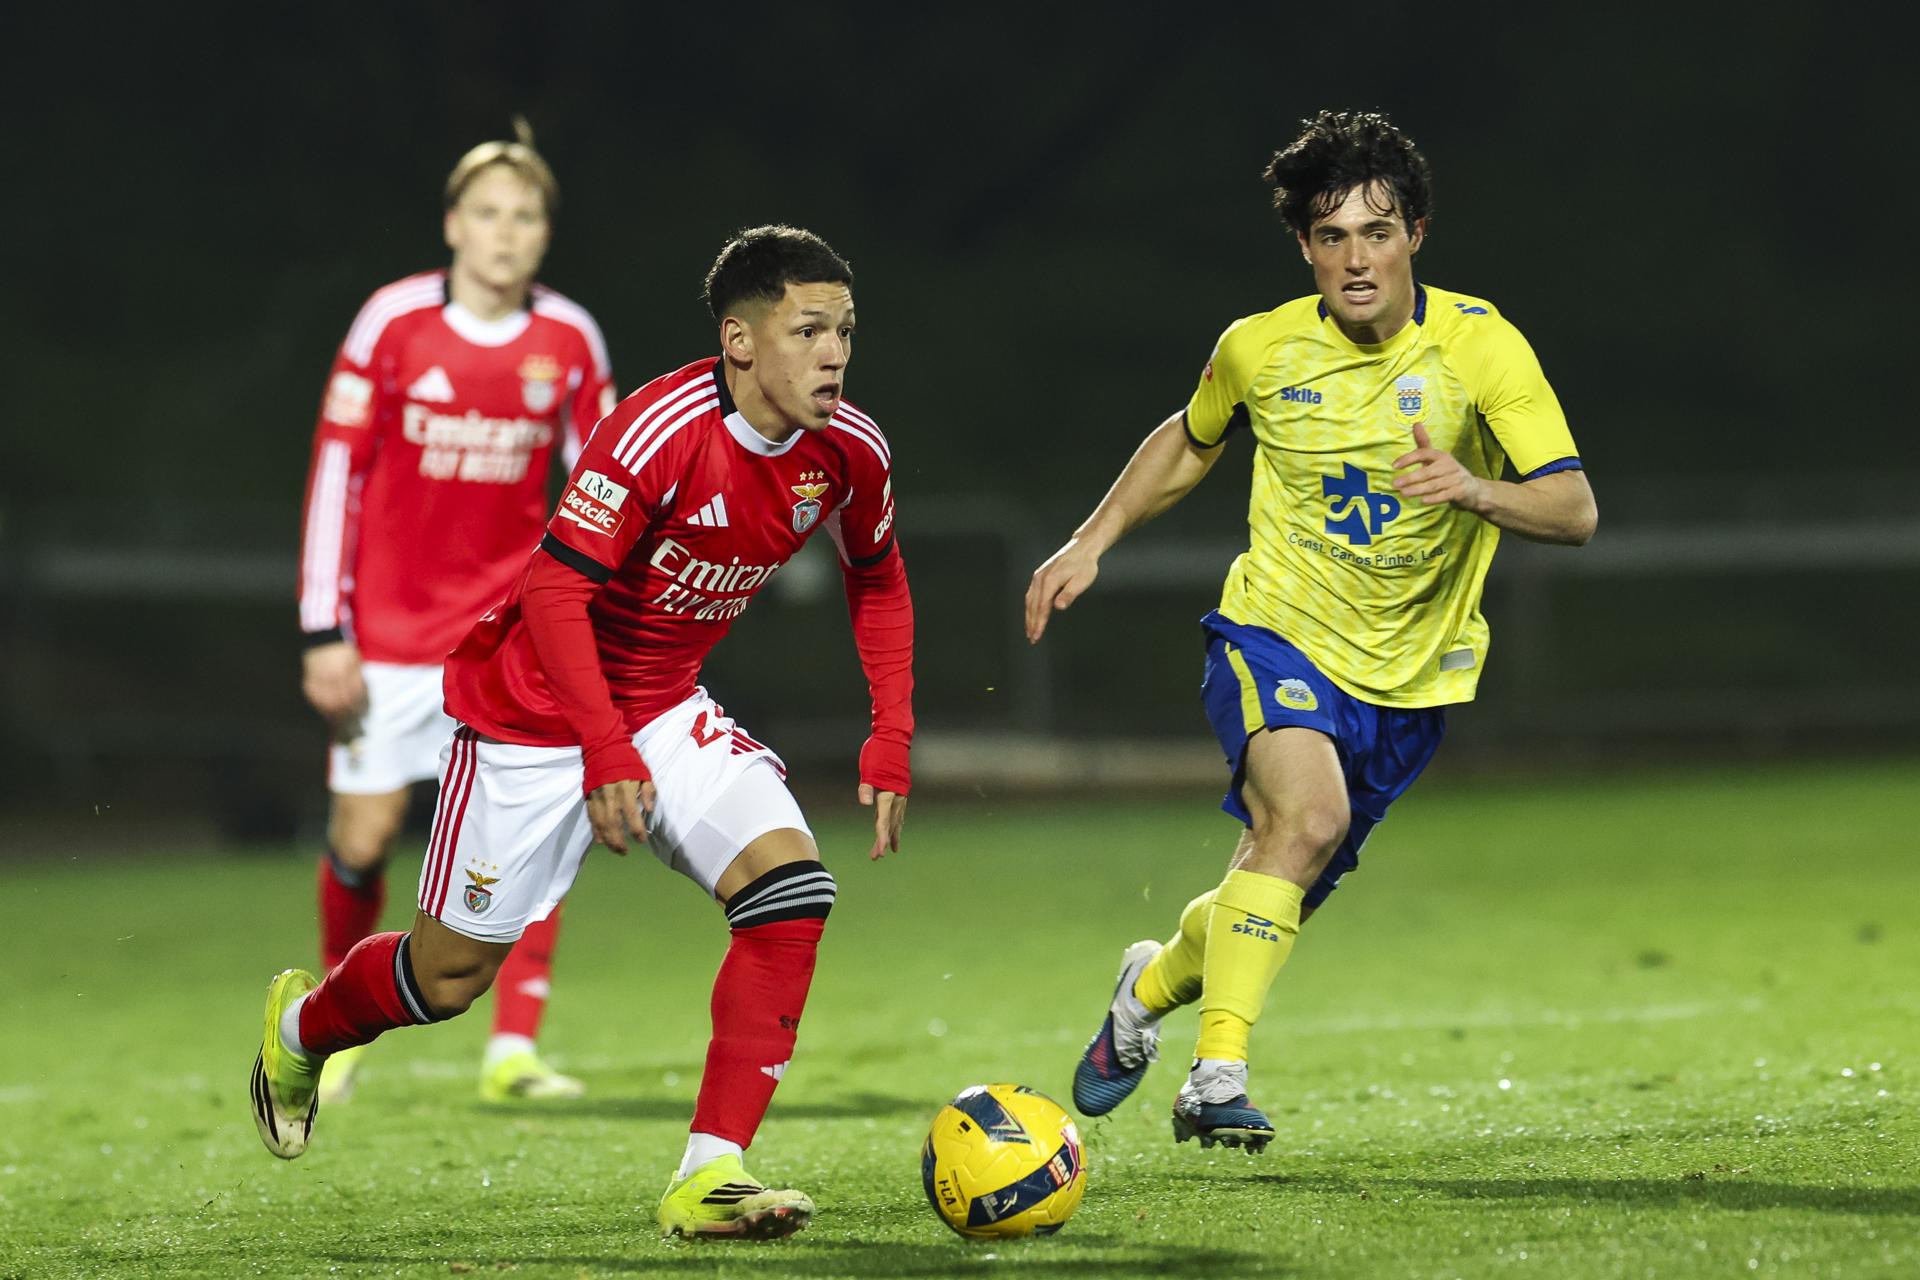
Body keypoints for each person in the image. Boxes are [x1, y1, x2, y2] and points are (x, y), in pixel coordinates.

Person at [256, 225, 914, 1241]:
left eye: (847, 331)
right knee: (447, 977)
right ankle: (303, 1027)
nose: (835, 352)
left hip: (664, 705)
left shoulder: (849, 449)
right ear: (739, 340)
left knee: (791, 891)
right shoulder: (657, 429)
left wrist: (891, 732)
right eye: (810, 329)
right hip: (533, 714)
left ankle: (710, 1172)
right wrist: (601, 751)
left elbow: (877, 573)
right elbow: (558, 589)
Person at [1026, 110, 1597, 1152]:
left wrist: (1472, 487)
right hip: (1274, 633)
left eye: (1376, 231)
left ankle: (1143, 989)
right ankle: (1216, 1076)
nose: (1355, 258)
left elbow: (1574, 508)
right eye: (1330, 236)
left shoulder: (1480, 344)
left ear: (1416, 232)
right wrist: (1090, 538)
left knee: (1281, 870)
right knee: (1304, 820)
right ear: (1304, 246)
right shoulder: (1258, 347)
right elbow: (1191, 440)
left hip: (1410, 678)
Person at [295, 119, 615, 1105]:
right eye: (487, 213)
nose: (505, 233)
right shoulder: (390, 323)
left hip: (506, 639)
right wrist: (322, 626)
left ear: (544, 235)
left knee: (524, 833)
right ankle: (343, 1026)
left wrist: (599, 620)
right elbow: (337, 469)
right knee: (365, 833)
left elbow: (606, 482)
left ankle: (512, 1046)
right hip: (386, 637)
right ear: (452, 224)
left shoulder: (568, 338)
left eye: (524, 216)